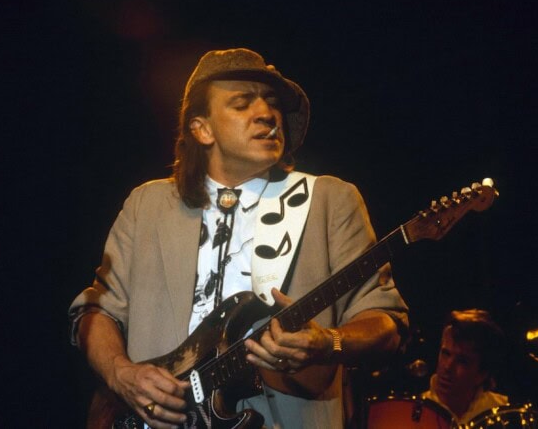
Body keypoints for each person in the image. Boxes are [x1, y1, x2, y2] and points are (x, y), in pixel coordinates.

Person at [68, 47, 409, 429]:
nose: (267, 114)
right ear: (202, 129)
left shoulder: (330, 200)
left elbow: (386, 322)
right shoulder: (147, 204)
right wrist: (120, 374)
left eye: (272, 102)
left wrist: (328, 342)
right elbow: (97, 311)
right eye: (242, 103)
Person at [422, 309, 509, 425]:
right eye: (446, 353)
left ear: (482, 374)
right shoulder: (415, 413)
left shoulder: (502, 414)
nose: (447, 366)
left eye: (462, 361)